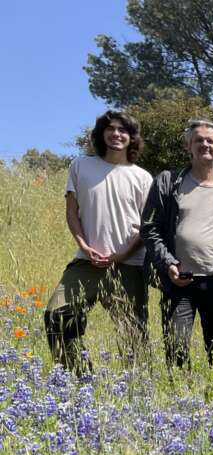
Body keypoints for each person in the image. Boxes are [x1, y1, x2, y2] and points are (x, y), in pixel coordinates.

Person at [44, 110, 153, 375]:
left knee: (133, 335)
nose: (117, 134)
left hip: (129, 265)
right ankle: (80, 378)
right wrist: (84, 245)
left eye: (123, 130)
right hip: (87, 262)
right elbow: (72, 212)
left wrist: (121, 254)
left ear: (131, 138)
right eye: (111, 129)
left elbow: (148, 227)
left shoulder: (143, 177)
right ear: (102, 134)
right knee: (57, 314)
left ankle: (138, 394)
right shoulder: (81, 165)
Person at [142, 118, 213, 382]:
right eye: (198, 140)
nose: (205, 144)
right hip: (179, 282)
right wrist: (168, 265)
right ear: (188, 145)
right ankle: (181, 406)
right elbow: (150, 228)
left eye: (211, 141)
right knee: (176, 348)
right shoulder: (167, 181)